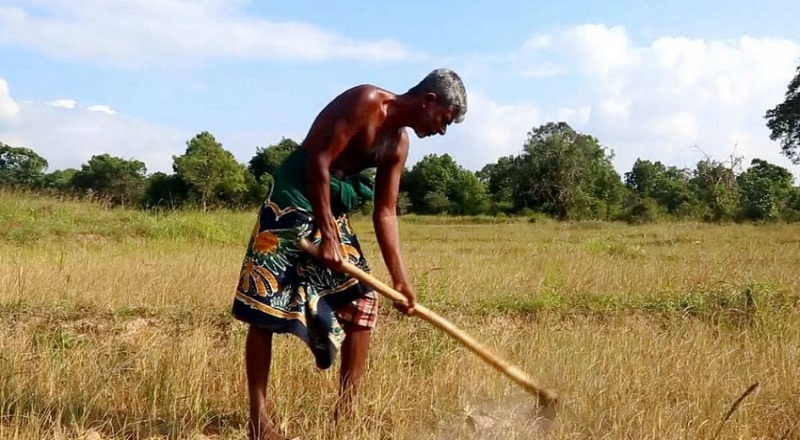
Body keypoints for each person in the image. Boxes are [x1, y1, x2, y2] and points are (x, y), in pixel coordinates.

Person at [231, 68, 467, 440]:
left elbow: (385, 212)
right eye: (445, 120)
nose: (442, 130)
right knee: (265, 309)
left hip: (328, 207)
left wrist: (401, 279)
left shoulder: (399, 145)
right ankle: (259, 424)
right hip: (291, 197)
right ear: (429, 101)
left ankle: (346, 415)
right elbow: (318, 161)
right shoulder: (366, 102)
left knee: (363, 304)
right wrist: (328, 236)